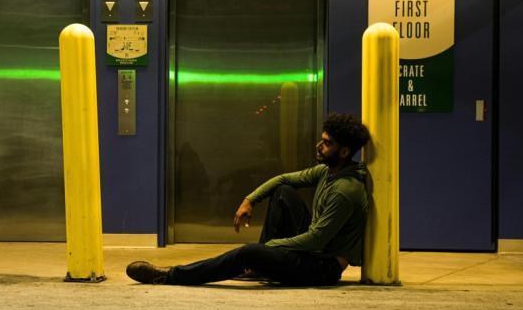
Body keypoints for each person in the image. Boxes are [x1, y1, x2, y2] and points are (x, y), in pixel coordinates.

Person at [126, 113, 370, 286]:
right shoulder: (328, 171)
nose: (318, 146)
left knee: (248, 253)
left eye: (327, 144)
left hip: (321, 267)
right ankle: (259, 267)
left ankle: (169, 276)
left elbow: (316, 239)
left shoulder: (344, 190)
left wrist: (268, 248)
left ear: (345, 151)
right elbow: (282, 179)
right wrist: (249, 200)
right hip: (314, 251)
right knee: (283, 191)